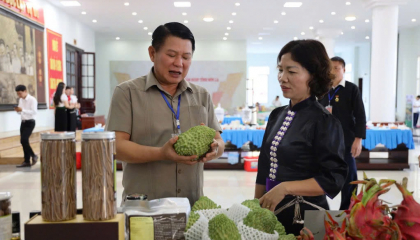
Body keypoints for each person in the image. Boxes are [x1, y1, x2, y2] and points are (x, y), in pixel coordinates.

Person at [106, 22, 225, 205]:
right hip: (144, 208)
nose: (179, 63)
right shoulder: (127, 93)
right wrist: (162, 153)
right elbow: (116, 147)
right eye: (171, 55)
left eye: (186, 57)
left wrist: (214, 149)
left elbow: (219, 141)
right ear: (152, 53)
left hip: (191, 206)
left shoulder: (201, 95)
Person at [255, 40, 348, 235]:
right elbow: (264, 164)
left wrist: (285, 188)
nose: (282, 78)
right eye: (280, 70)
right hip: (272, 212)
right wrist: (256, 207)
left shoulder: (324, 121)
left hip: (307, 216)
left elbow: (333, 179)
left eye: (292, 71)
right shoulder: (276, 115)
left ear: (312, 75)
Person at [318, 56, 366, 210]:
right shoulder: (322, 90)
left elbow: (360, 115)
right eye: (330, 68)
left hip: (347, 141)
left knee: (349, 177)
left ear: (344, 70)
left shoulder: (352, 89)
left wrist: (358, 139)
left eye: (337, 68)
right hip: (325, 142)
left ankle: (347, 210)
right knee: (321, 176)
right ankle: (319, 209)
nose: (333, 71)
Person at [14, 85, 38, 168]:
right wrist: (18, 111)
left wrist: (22, 110)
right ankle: (27, 161)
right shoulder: (21, 100)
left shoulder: (32, 100)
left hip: (30, 122)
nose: (19, 95)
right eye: (18, 94)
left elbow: (34, 112)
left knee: (24, 139)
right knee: (23, 141)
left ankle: (34, 155)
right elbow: (21, 112)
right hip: (23, 122)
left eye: (20, 93)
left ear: (25, 91)